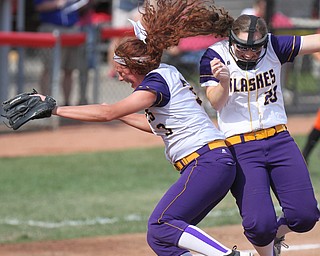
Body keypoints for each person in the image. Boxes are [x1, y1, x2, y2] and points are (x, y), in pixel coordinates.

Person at [33, 1, 254, 255]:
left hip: (207, 162)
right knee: (161, 239)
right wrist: (121, 115)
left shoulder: (155, 83)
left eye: (121, 71)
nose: (119, 77)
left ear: (135, 67)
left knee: (162, 224)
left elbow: (107, 113)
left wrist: (54, 109)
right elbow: (156, 126)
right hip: (214, 162)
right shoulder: (164, 73)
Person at [199, 14, 320, 256]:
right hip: (240, 145)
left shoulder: (273, 46)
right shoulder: (214, 56)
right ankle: (267, 247)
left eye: (256, 48)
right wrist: (223, 81)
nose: (249, 53)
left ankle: (275, 235)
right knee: (258, 224)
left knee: (305, 215)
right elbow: (216, 103)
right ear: (232, 39)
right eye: (243, 47)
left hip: (279, 139)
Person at [34, 0, 82, 106]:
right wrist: (58, 3)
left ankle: (67, 103)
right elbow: (39, 6)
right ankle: (44, 104)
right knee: (49, 69)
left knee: (69, 69)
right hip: (51, 28)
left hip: (72, 29)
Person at [107, 0, 145, 78]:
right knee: (116, 39)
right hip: (123, 8)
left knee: (139, 36)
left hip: (138, 7)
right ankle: (113, 68)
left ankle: (134, 68)